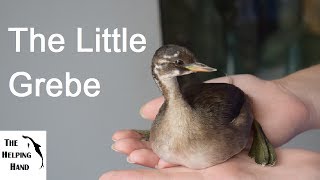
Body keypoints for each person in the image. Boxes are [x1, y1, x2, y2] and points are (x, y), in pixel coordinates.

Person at [100, 65, 320, 180]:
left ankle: (256, 131)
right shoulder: (169, 104)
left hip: (222, 108)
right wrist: (296, 97)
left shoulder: (225, 110)